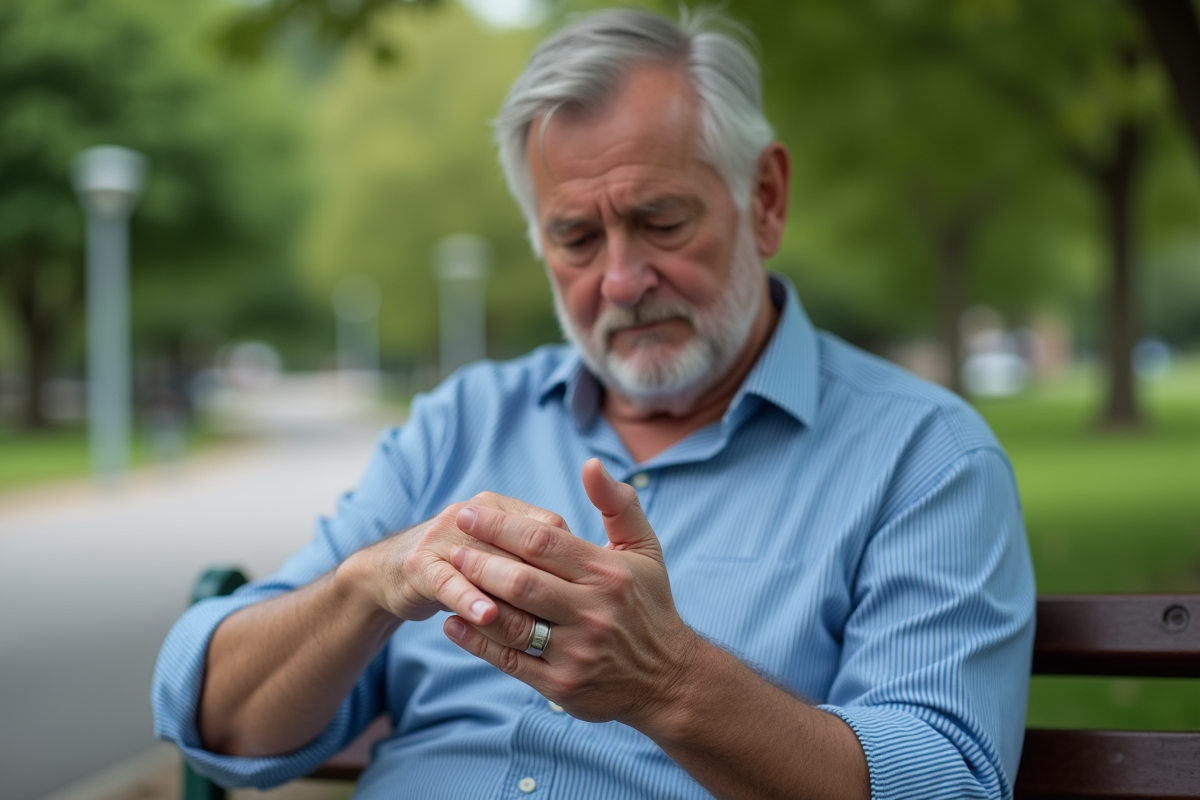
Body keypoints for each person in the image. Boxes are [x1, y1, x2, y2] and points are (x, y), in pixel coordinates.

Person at [153, 8, 1035, 800]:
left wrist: (668, 683)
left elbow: (947, 783)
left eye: (661, 221)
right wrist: (369, 585)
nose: (621, 279)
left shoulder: (926, 456)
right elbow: (216, 724)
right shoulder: (459, 424)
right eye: (575, 237)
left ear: (763, 200)